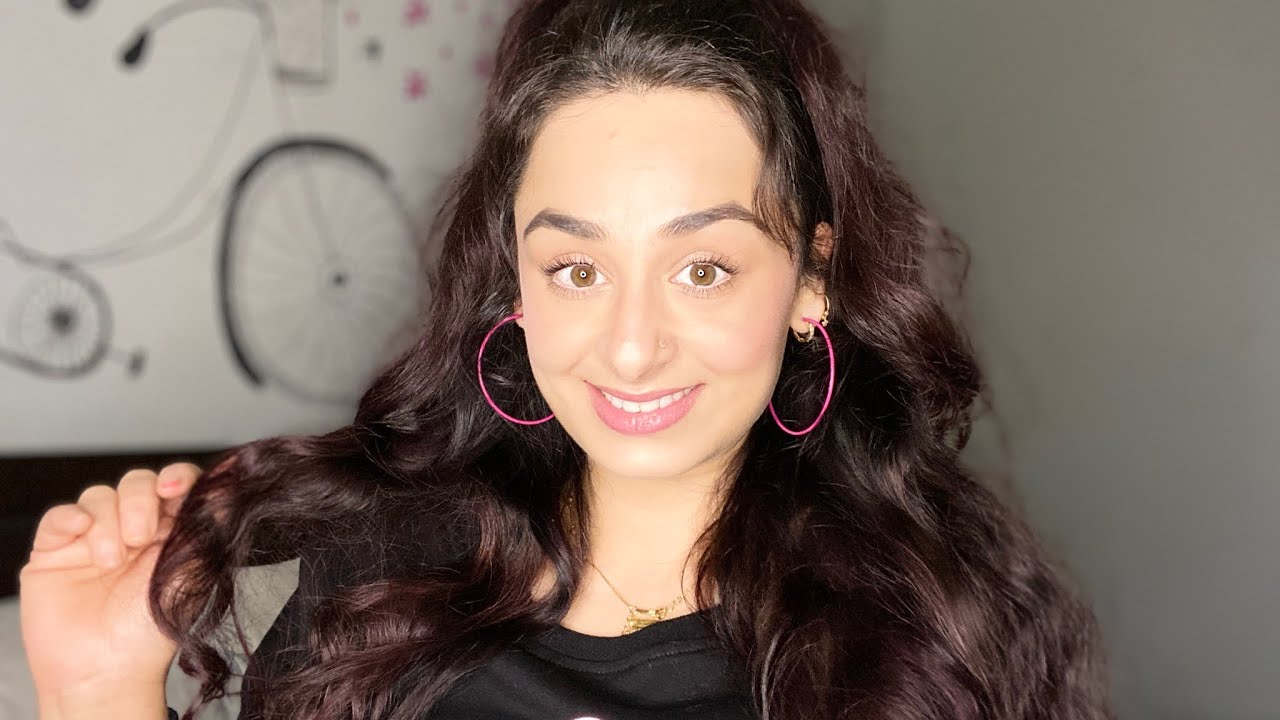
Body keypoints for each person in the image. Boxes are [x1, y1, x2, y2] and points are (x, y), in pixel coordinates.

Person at [19, 1, 1116, 718]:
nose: (630, 347)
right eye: (577, 269)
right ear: (515, 281)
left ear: (810, 281)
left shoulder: (925, 641)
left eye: (703, 269)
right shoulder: (374, 594)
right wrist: (94, 689)